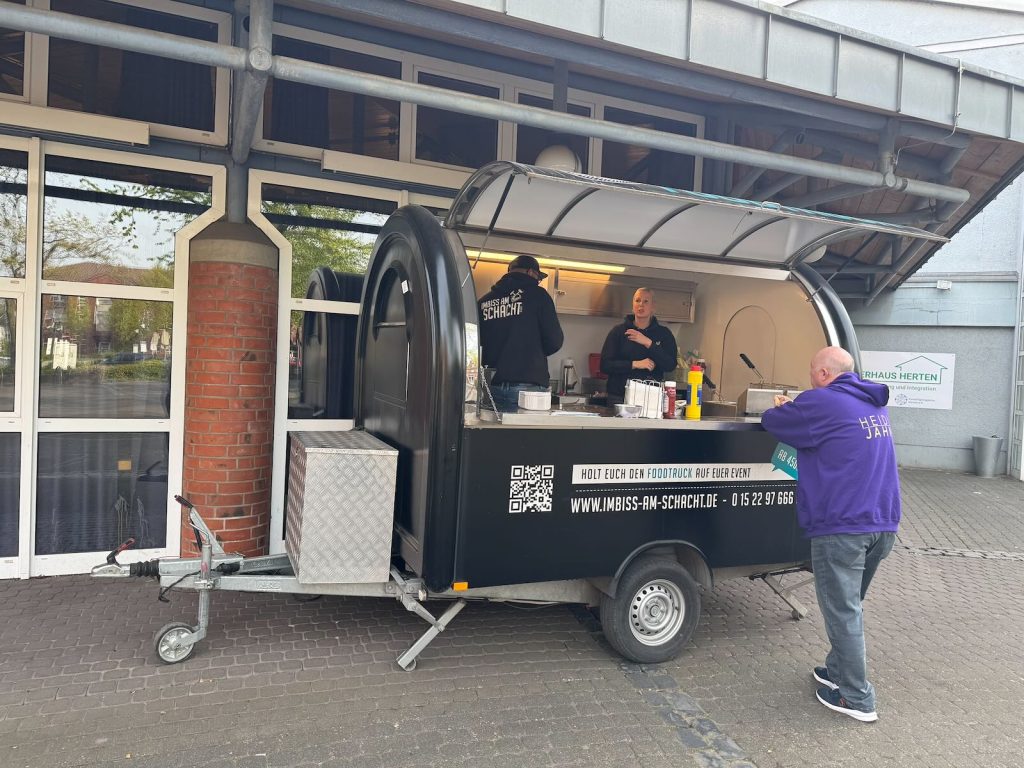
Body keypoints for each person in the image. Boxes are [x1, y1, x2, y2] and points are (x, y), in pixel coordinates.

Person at [761, 346, 900, 724]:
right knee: (849, 606)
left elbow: (772, 421)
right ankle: (837, 671)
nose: (810, 377)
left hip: (843, 527)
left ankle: (856, 698)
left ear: (823, 374)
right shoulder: (873, 403)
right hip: (883, 523)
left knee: (842, 611)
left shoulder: (821, 402)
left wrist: (785, 405)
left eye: (811, 370)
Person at [478, 254, 563, 412]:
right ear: (531, 272)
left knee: (493, 429)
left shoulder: (484, 302)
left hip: (490, 388)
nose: (538, 282)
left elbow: (476, 345)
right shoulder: (539, 296)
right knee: (524, 430)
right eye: (538, 278)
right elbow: (554, 341)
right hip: (528, 389)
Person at [600, 288, 678, 405]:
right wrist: (634, 364)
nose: (641, 304)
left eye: (646, 301)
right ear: (633, 305)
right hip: (619, 397)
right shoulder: (619, 332)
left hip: (651, 398)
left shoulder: (664, 334)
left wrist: (648, 343)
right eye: (637, 300)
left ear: (653, 306)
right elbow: (605, 365)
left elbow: (670, 365)